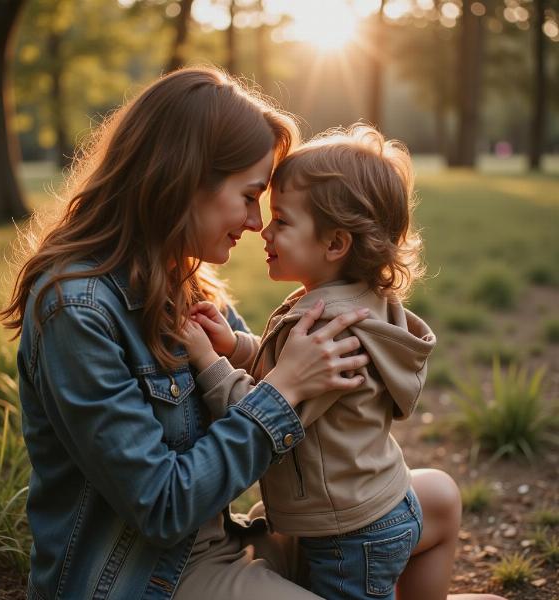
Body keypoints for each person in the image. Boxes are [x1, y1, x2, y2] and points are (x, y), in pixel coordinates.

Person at [0, 67, 503, 600]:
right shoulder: (76, 310)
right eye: (249, 196)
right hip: (144, 577)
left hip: (221, 542)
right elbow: (162, 506)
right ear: (185, 181)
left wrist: (269, 368)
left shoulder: (185, 280)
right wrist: (285, 390)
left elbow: (252, 368)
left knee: (439, 498)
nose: (257, 223)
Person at [181, 126, 504, 600]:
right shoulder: (362, 304)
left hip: (348, 538)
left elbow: (266, 411)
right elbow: (284, 370)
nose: (263, 231)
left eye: (283, 222)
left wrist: (210, 362)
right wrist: (236, 346)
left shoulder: (325, 328)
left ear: (335, 244)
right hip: (385, 505)